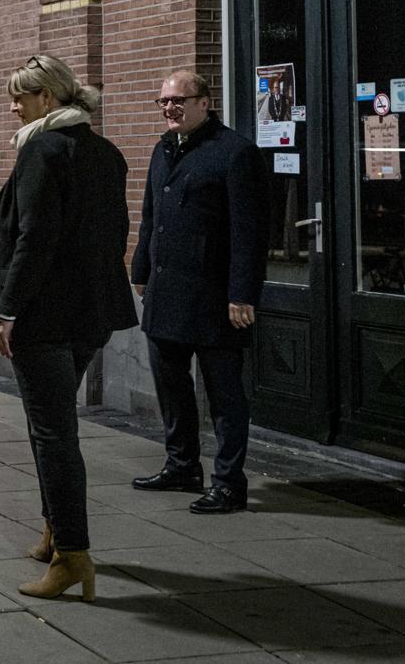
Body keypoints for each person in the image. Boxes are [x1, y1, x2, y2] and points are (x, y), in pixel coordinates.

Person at [0, 54, 137, 603]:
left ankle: (73, 554)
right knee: (49, 424)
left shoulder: (41, 150)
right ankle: (54, 531)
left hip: (44, 317)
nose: (13, 106)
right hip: (90, 314)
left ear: (47, 100)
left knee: (53, 433)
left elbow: (32, 239)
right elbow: (115, 232)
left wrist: (7, 311)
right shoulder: (106, 153)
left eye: (21, 97)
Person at [130, 68, 268, 516]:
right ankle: (182, 464)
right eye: (164, 102)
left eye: (179, 101)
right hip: (167, 291)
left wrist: (242, 294)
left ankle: (229, 483)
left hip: (214, 297)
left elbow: (250, 232)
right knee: (171, 385)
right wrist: (141, 269)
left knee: (225, 394)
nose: (170, 108)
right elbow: (151, 215)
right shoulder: (163, 149)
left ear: (204, 103)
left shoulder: (234, 153)